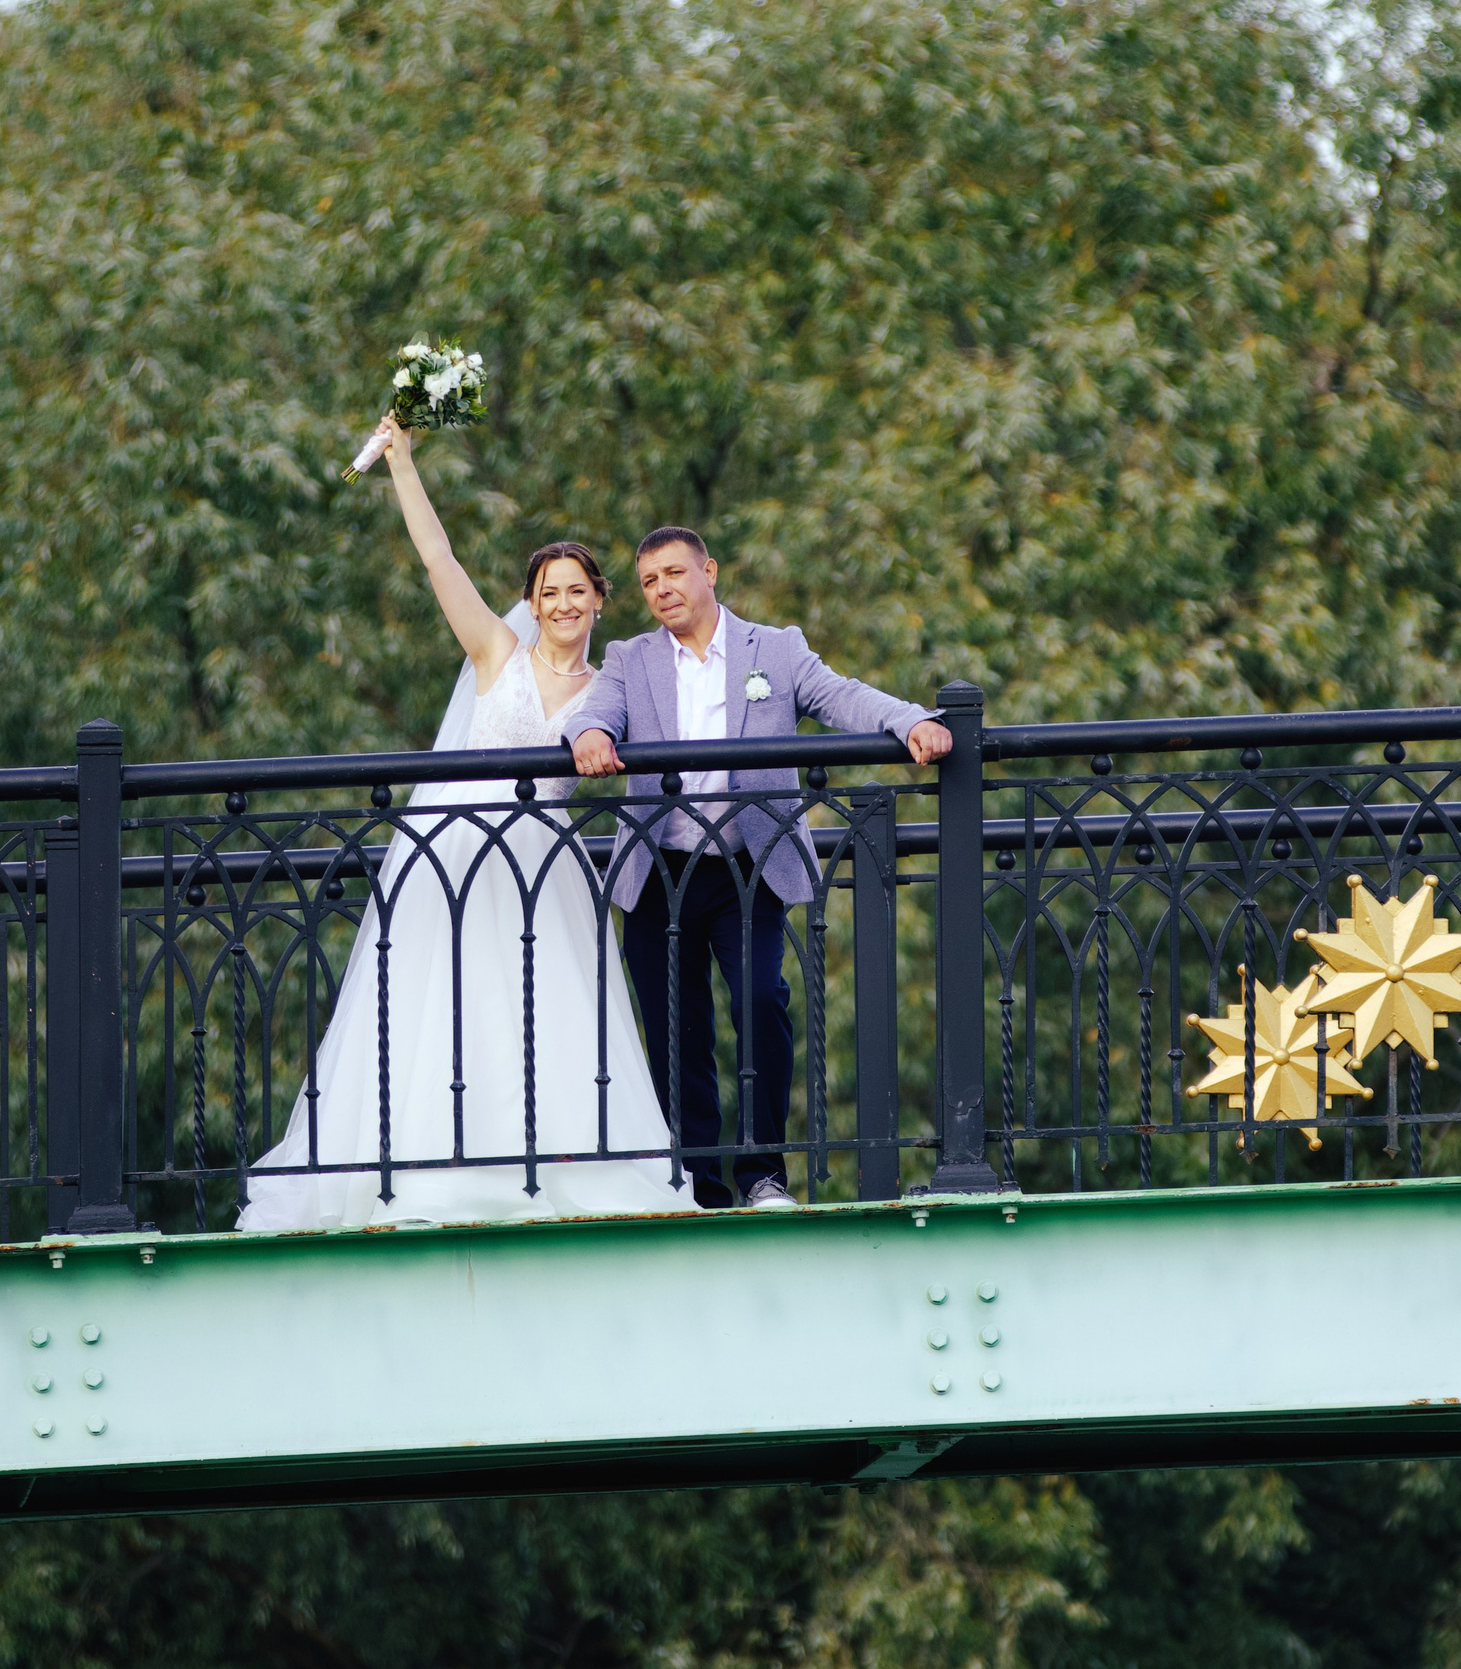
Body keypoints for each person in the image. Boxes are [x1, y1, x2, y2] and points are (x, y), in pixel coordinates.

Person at [237, 418, 692, 1229]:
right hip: (457, 854)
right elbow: (439, 561)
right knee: (440, 1006)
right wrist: (404, 464)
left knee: (540, 1014)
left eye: (576, 591)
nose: (562, 603)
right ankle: (423, 1175)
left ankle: (553, 1171)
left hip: (543, 867)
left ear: (598, 602)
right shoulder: (495, 655)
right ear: (529, 603)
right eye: (547, 592)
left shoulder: (611, 686)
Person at [569, 529, 951, 1208]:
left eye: (675, 574)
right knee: (674, 1029)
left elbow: (843, 696)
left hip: (748, 866)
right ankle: (699, 1185)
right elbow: (597, 711)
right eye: (650, 580)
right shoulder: (629, 657)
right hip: (659, 872)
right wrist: (591, 735)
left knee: (761, 1003)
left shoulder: (774, 648)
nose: (663, 590)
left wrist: (910, 721)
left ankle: (761, 1176)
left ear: (708, 572)